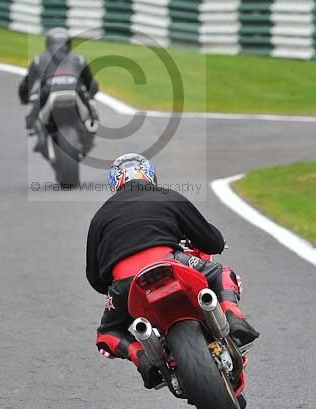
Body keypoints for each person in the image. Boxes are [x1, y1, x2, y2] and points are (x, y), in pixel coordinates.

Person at [86, 153, 259, 389]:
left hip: (126, 284)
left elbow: (95, 278)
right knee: (221, 273)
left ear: (115, 183)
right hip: (170, 262)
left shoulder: (100, 216)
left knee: (107, 333)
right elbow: (211, 242)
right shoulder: (167, 196)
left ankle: (142, 358)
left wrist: (116, 285)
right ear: (150, 175)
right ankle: (234, 318)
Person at [18, 27, 99, 149]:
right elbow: (91, 83)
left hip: (48, 91)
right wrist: (91, 95)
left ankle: (33, 128)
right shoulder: (79, 59)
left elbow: (27, 84)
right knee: (90, 109)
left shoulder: (39, 59)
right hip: (75, 90)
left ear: (48, 43)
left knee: (35, 111)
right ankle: (91, 125)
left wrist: (24, 98)